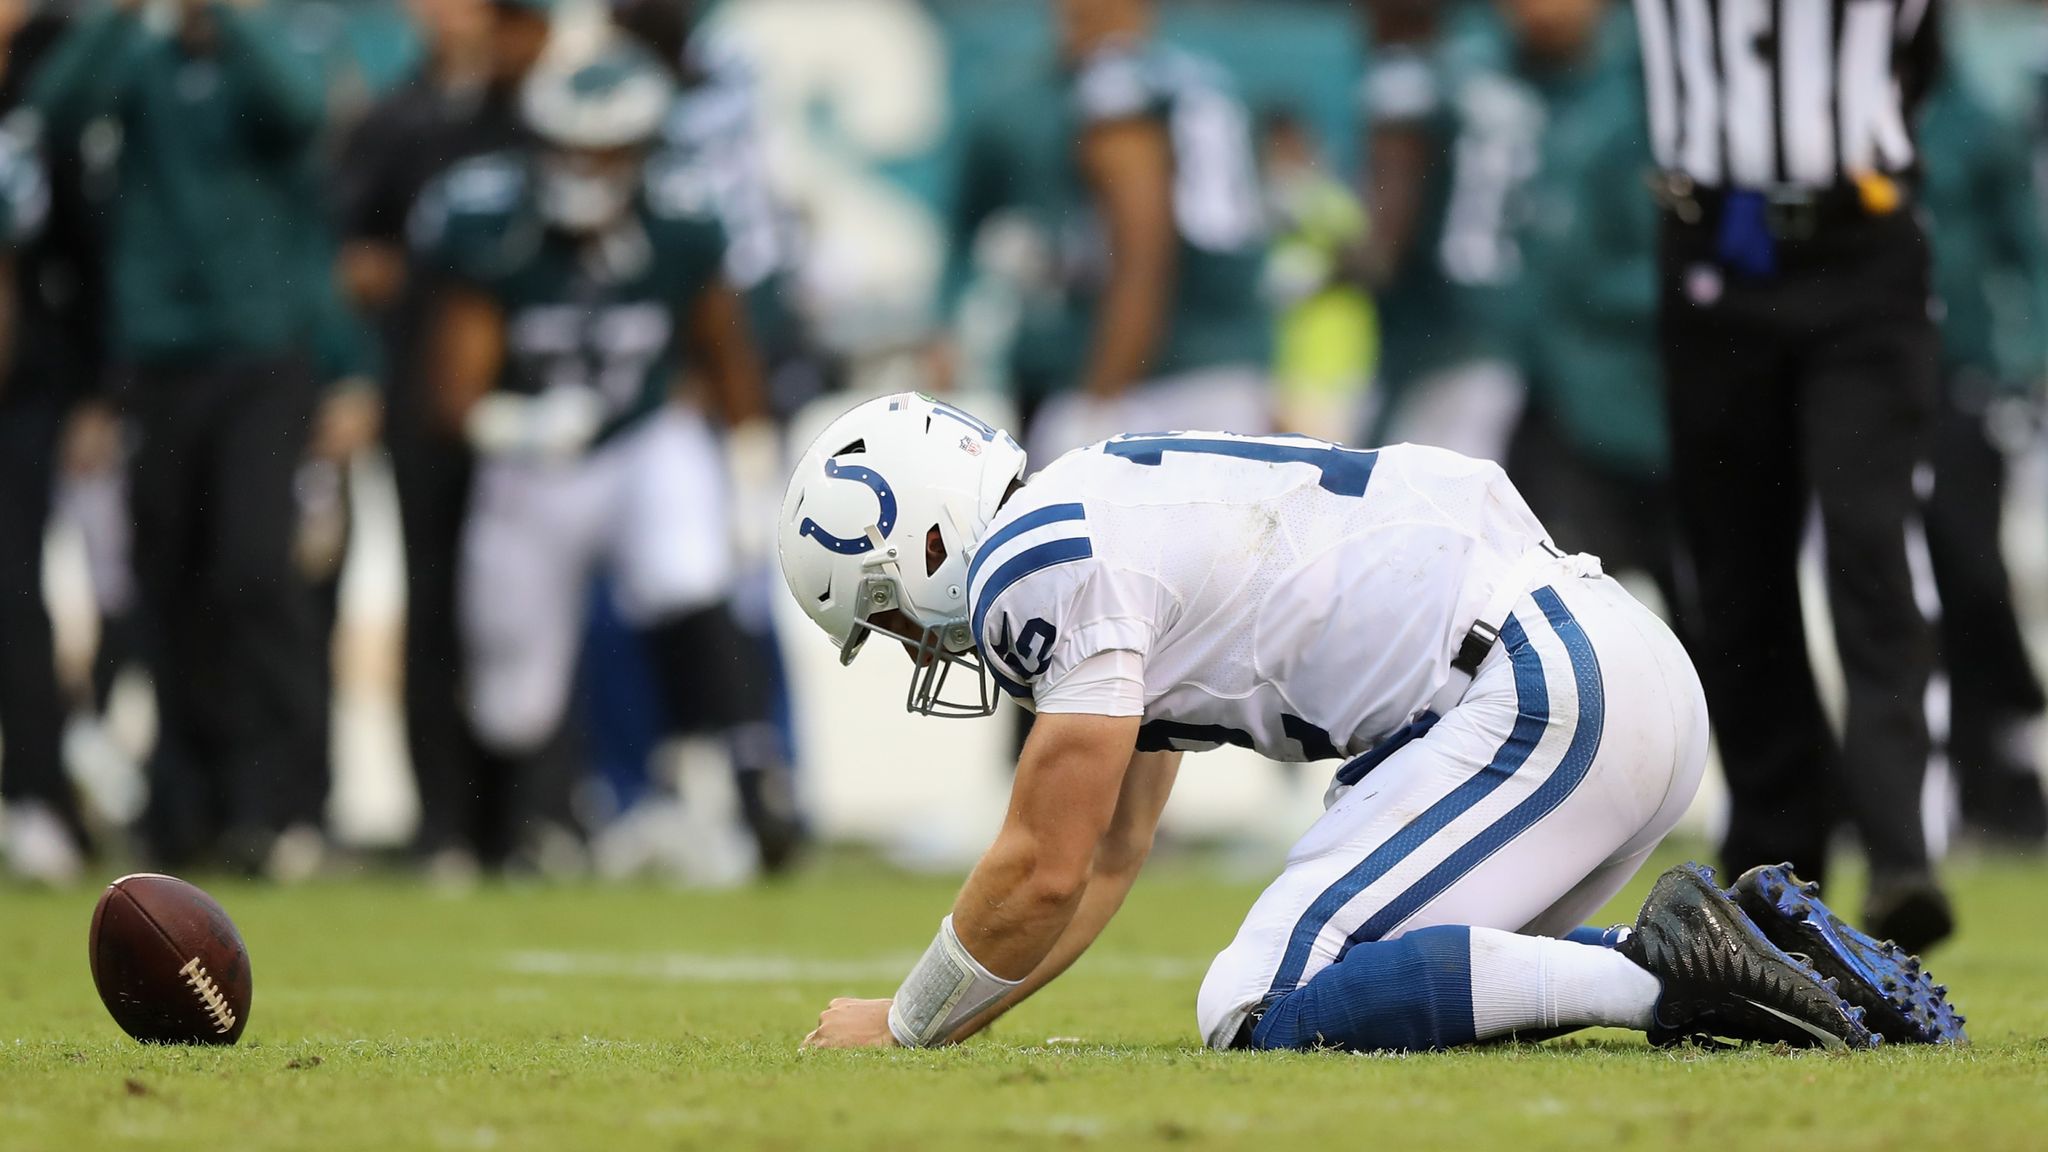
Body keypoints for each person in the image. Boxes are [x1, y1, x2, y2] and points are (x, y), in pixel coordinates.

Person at [779, 393, 1964, 1053]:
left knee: (1252, 1009)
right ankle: (1771, 953)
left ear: (926, 538)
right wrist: (944, 1029)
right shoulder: (1098, 510)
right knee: (1380, 990)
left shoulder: (1035, 563)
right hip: (1601, 671)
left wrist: (901, 1024)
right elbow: (1103, 861)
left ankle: (1681, 978)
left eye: (887, 613)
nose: (912, 644)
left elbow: (1039, 866)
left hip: (1531, 692)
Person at [411, 40, 797, 872]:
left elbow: (722, 345)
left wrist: (750, 450)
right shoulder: (494, 222)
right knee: (513, 689)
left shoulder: (682, 219)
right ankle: (525, 826)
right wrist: (516, 426)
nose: (585, 166)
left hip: (641, 437)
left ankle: (753, 780)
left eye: (606, 149)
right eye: (569, 146)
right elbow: (450, 391)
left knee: (688, 574)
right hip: (532, 461)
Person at [1632, 0, 1951, 950]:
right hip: (1715, 248)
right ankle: (1774, 862)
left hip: (1864, 243)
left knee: (1872, 537)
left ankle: (1905, 851)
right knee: (1736, 564)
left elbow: (1918, 56)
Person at [30, 0, 338, 871]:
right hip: (159, 360)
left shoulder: (266, 46)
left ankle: (278, 802)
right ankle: (189, 805)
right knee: (167, 585)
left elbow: (299, 108)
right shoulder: (140, 60)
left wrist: (232, 21)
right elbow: (55, 110)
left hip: (260, 354)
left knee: (252, 570)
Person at [332, 0, 551, 873]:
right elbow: (354, 258)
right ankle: (444, 824)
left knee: (525, 609)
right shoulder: (393, 121)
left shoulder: (529, 115)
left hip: (525, 403)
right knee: (432, 608)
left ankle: (527, 817)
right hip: (424, 398)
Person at [1018, 0, 1273, 464]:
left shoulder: (1115, 84)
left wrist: (1098, 394)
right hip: (1232, 365)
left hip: (1156, 380)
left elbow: (1143, 250)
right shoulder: (1200, 77)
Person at [1490, 0, 1676, 604]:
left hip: (1646, 405)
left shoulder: (1649, 93)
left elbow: (1689, 267)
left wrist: (1582, 295)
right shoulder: (1493, 81)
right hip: (1549, 398)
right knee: (1546, 608)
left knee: (1706, 627)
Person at [1917, 66, 2048, 849]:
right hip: (1845, 377)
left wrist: (2023, 360)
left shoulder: (1974, 117)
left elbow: (2024, 248)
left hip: (1956, 377)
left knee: (1969, 573)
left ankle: (1995, 760)